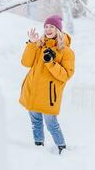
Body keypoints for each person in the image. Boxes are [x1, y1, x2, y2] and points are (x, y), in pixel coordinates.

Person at [19, 15, 75, 154]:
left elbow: (66, 75)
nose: (48, 29)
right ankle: (38, 148)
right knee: (35, 122)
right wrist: (32, 44)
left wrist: (51, 63)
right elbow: (25, 63)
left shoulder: (66, 51)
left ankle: (62, 148)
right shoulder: (39, 45)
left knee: (52, 124)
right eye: (46, 26)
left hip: (49, 95)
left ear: (58, 30)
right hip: (32, 90)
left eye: (52, 26)